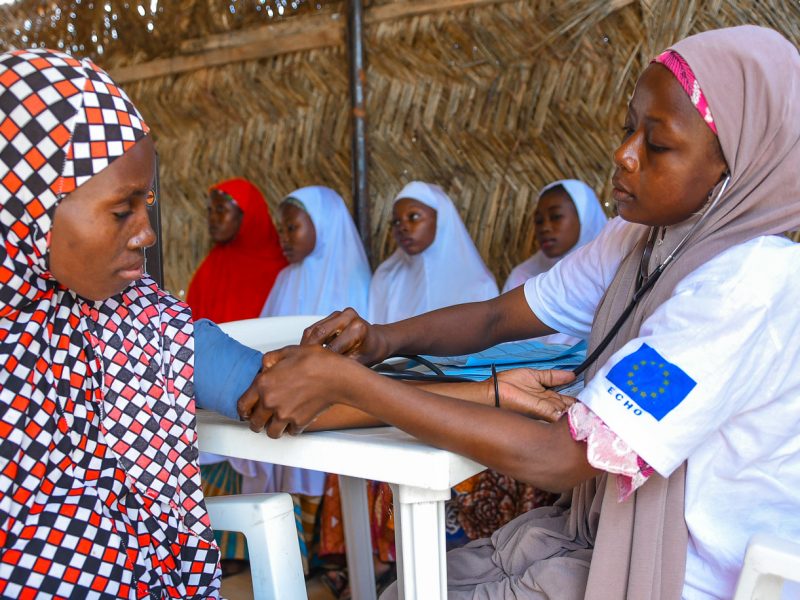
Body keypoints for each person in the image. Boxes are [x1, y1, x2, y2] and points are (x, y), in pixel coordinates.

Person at [238, 26, 800, 599]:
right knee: (408, 589)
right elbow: (497, 318)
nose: (624, 155)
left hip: (689, 574)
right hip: (600, 534)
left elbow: (559, 458)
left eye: (656, 145)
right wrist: (380, 341)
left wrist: (353, 384)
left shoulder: (748, 285)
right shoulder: (642, 239)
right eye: (629, 128)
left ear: (738, 169)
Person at [0, 49, 221, 597]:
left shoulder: (140, 320)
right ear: (24, 200)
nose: (146, 234)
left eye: (147, 204)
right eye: (123, 211)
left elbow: (266, 385)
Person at [368, 181, 498, 324]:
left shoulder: (480, 286)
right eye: (396, 222)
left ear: (441, 218)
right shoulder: (387, 277)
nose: (402, 227)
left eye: (414, 217)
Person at [186, 177, 286, 324]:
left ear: (246, 214)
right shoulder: (213, 264)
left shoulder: (279, 267)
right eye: (210, 210)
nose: (212, 218)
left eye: (221, 209)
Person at [260, 185, 371, 318]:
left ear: (323, 222)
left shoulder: (354, 282)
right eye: (281, 230)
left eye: (291, 228)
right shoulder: (286, 278)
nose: (283, 239)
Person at [503, 179, 607, 293]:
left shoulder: (610, 272)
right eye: (538, 221)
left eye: (556, 216)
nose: (544, 228)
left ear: (586, 218)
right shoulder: (523, 278)